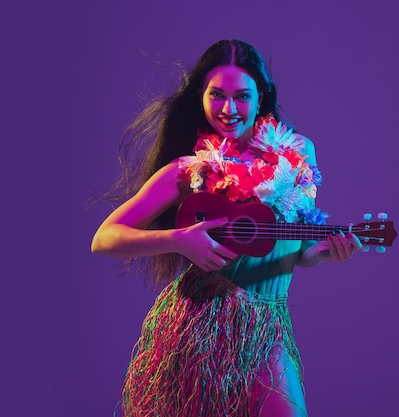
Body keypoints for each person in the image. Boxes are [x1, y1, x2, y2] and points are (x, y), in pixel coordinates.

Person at [91, 39, 361, 417]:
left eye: (242, 96)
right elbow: (104, 238)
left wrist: (327, 252)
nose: (229, 109)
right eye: (217, 95)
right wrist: (178, 241)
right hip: (199, 326)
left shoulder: (298, 155)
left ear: (261, 97)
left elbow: (299, 253)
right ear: (200, 96)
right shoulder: (190, 170)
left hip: (268, 328)